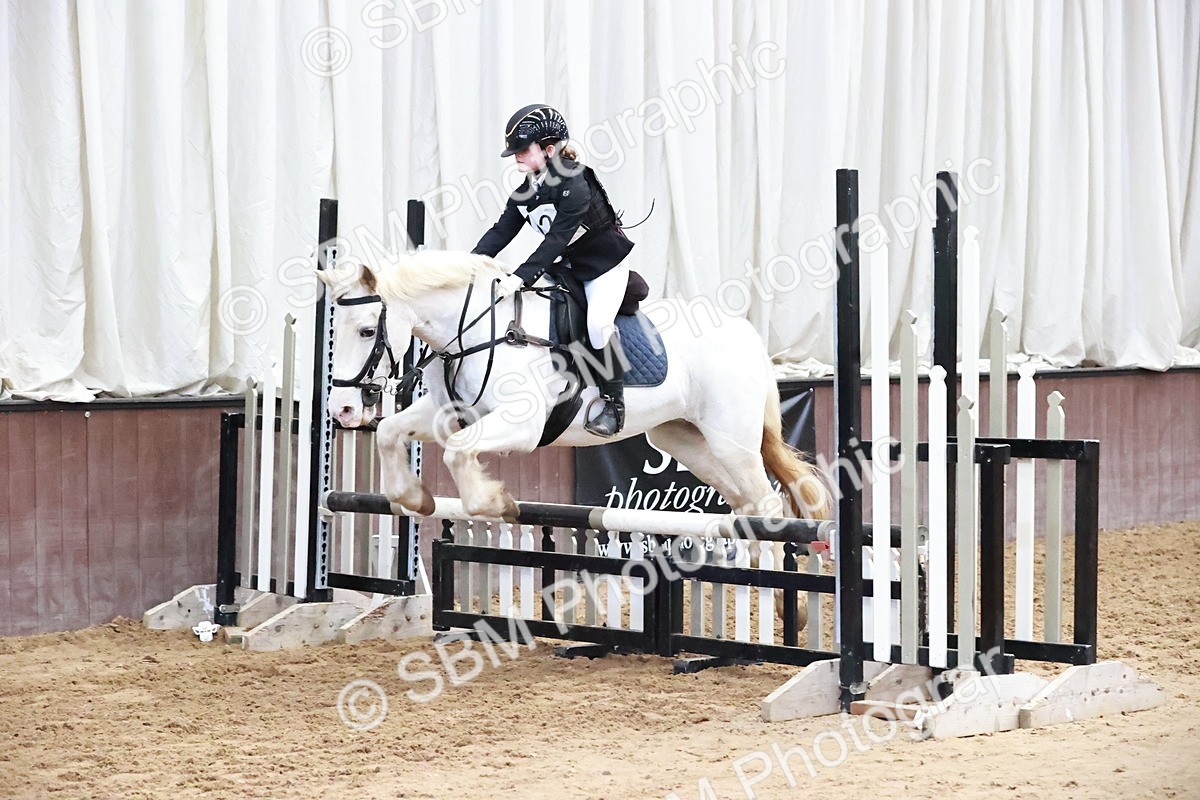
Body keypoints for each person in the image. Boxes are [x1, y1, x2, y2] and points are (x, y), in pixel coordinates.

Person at [472, 103, 634, 437]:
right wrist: (467, 265)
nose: (515, 156)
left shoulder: (575, 182)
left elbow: (557, 239)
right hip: (570, 266)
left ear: (549, 149)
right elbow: (501, 232)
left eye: (522, 149)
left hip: (605, 265)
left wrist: (519, 276)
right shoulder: (527, 188)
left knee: (598, 324)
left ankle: (614, 405)